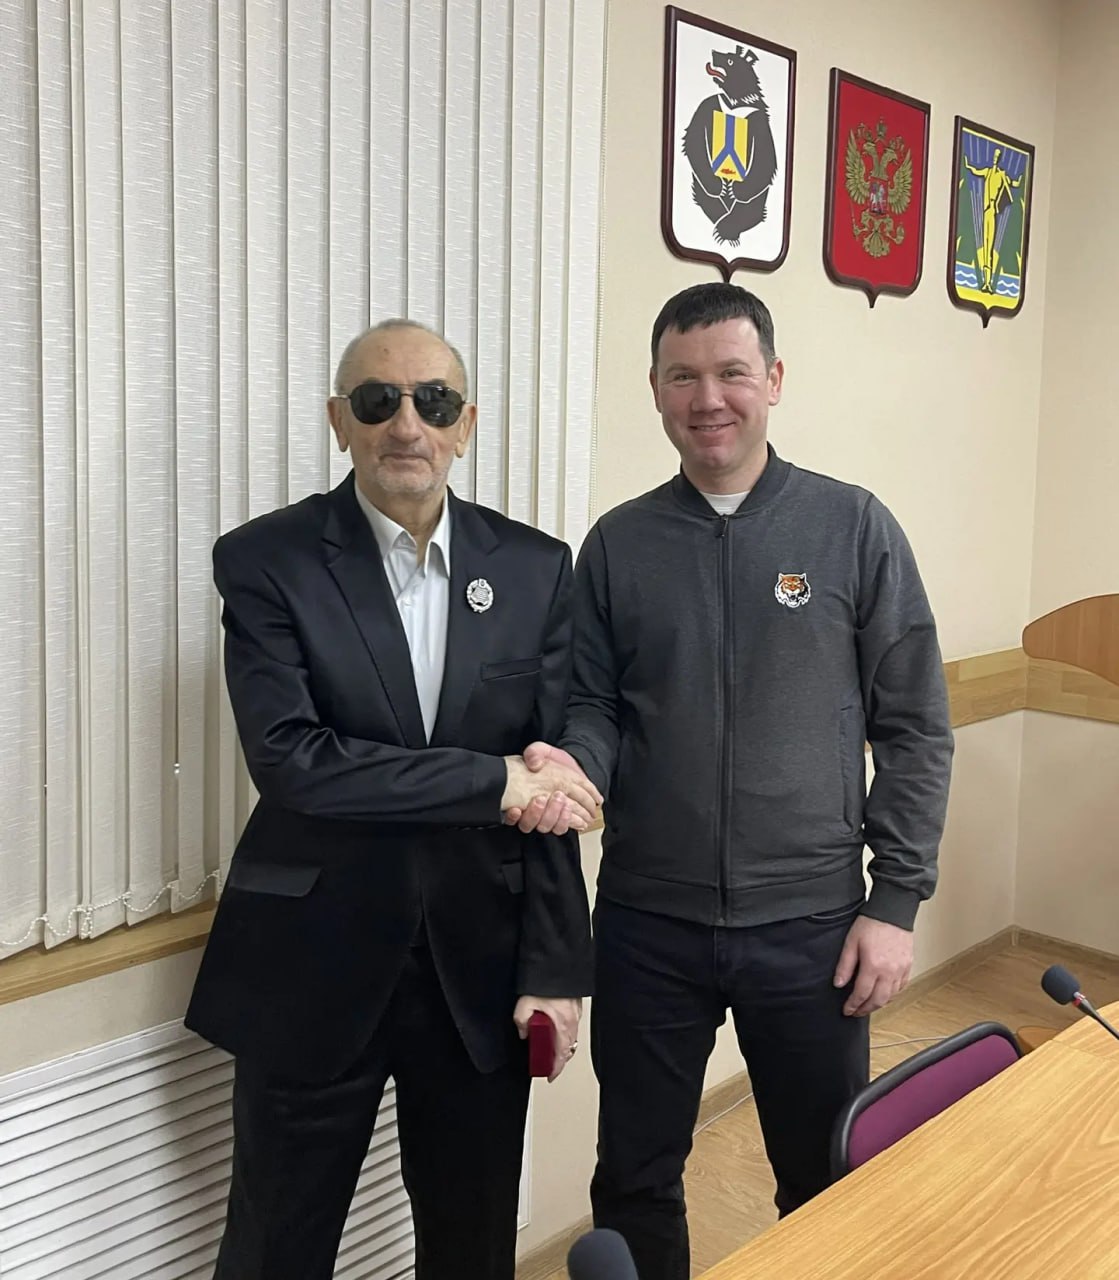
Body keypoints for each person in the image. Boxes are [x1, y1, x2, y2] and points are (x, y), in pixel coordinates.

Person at [511, 283, 954, 1279]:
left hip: (810, 928)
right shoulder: (619, 543)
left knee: (825, 1173)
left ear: (774, 380)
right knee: (633, 1176)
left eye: (730, 373)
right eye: (683, 376)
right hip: (647, 924)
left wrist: (894, 901)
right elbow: (597, 706)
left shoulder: (852, 527)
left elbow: (916, 727)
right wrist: (577, 765)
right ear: (656, 390)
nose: (707, 398)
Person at [186, 318, 599, 1280]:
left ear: (465, 425)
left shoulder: (535, 568)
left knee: (472, 1242)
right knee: (275, 1246)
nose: (406, 425)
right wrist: (489, 779)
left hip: (479, 969)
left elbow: (549, 774)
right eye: (378, 401)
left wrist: (555, 966)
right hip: (311, 964)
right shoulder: (266, 560)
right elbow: (294, 761)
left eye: (433, 402)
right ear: (341, 422)